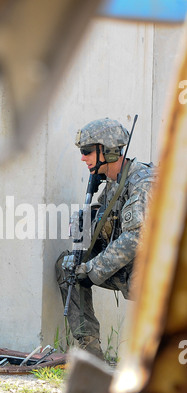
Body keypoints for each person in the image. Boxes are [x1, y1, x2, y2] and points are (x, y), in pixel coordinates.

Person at [55, 117, 156, 360]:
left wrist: (92, 267)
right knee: (67, 266)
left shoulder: (142, 182)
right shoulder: (113, 184)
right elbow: (107, 223)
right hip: (130, 271)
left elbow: (135, 237)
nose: (83, 157)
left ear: (108, 151)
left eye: (87, 151)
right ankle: (91, 354)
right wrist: (85, 225)